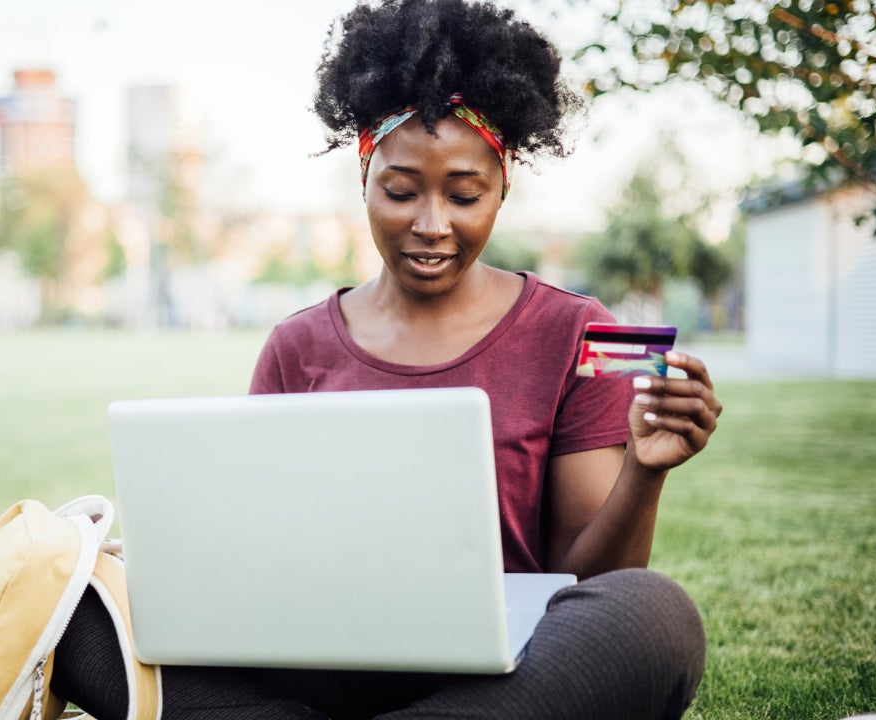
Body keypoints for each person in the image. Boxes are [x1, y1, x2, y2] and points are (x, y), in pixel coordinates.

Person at [53, 1, 723, 718]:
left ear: (504, 185)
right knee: (70, 608)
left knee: (653, 613)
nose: (432, 225)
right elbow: (258, 559)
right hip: (315, 668)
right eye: (401, 192)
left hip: (504, 679)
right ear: (364, 177)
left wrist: (645, 473)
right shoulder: (296, 347)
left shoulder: (576, 332)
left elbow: (589, 586)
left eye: (465, 196)